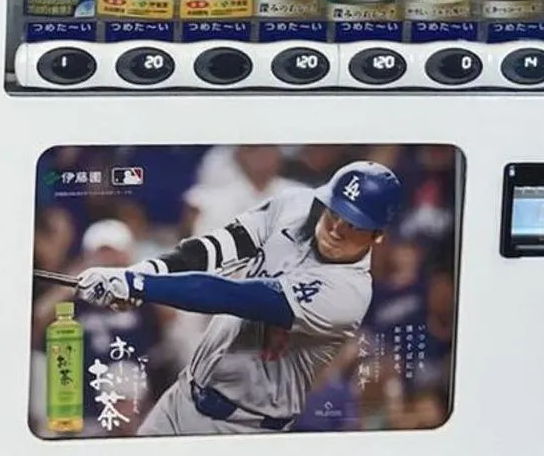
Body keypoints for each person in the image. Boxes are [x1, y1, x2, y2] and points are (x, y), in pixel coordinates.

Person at [73, 161, 401, 434]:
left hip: (244, 428)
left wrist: (139, 284)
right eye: (336, 212)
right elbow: (220, 246)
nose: (337, 228)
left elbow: (231, 295)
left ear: (379, 235)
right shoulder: (298, 205)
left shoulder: (348, 293)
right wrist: (146, 269)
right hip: (182, 398)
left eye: (355, 224)